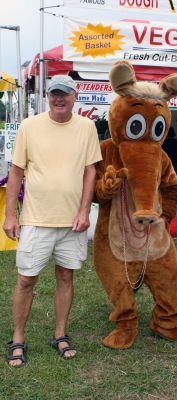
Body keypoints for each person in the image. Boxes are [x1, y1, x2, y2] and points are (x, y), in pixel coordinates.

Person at [3, 75, 102, 367]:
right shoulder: (29, 126)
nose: (60, 99)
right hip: (36, 219)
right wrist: (11, 214)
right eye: (55, 94)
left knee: (65, 277)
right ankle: (18, 338)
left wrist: (84, 211)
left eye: (65, 94)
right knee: (25, 280)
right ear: (48, 96)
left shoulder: (86, 127)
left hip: (72, 222)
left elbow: (90, 172)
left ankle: (60, 334)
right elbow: (16, 173)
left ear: (75, 95)